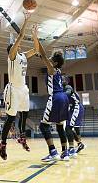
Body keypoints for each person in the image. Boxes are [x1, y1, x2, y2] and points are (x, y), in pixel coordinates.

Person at [0, 14, 37, 160]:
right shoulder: (12, 56)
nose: (18, 45)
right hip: (13, 89)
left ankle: (22, 137)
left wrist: (35, 35)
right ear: (11, 50)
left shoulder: (23, 56)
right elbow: (21, 35)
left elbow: (36, 49)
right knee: (10, 118)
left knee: (25, 113)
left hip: (23, 89)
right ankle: (2, 144)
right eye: (15, 45)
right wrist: (26, 20)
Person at [32, 25, 70, 162]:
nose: (48, 60)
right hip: (64, 98)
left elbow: (41, 53)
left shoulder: (52, 69)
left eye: (50, 59)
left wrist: (35, 37)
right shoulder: (58, 71)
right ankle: (65, 152)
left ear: (53, 62)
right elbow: (41, 54)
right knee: (60, 126)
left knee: (43, 125)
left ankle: (53, 152)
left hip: (55, 97)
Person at [62, 76, 85, 158]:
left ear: (67, 81)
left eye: (63, 79)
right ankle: (80, 144)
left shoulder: (67, 87)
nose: (62, 80)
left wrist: (60, 95)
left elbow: (68, 92)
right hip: (71, 109)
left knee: (68, 128)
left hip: (76, 107)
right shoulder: (61, 89)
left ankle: (71, 148)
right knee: (68, 128)